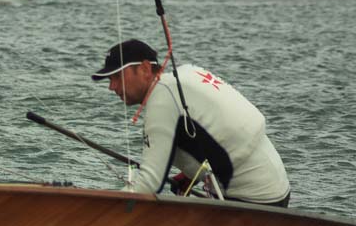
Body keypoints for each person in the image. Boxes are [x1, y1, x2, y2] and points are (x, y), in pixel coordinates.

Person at [92, 39, 291, 206]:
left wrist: (100, 209)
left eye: (117, 76)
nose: (111, 86)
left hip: (256, 202)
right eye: (109, 79)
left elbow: (149, 183)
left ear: (145, 68)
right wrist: (190, 174)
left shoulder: (162, 98)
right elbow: (215, 127)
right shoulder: (187, 73)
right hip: (277, 186)